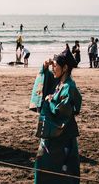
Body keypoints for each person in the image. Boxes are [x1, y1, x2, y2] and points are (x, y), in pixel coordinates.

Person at [29, 48, 82, 183]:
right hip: (54, 135)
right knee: (44, 167)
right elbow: (46, 85)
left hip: (62, 135)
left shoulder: (69, 87)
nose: (54, 69)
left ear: (64, 68)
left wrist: (49, 101)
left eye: (56, 66)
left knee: (61, 172)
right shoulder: (60, 82)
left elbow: (62, 111)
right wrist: (45, 68)